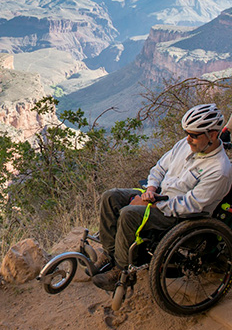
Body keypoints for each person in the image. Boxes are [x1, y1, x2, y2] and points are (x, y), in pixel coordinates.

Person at [92, 103, 232, 291]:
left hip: (178, 216)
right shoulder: (185, 145)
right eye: (187, 133)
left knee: (129, 214)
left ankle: (120, 270)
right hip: (157, 196)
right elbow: (159, 168)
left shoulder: (219, 170)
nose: (188, 139)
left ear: (213, 135)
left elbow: (192, 205)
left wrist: (155, 204)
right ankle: (110, 255)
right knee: (110, 197)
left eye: (194, 135)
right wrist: (150, 189)